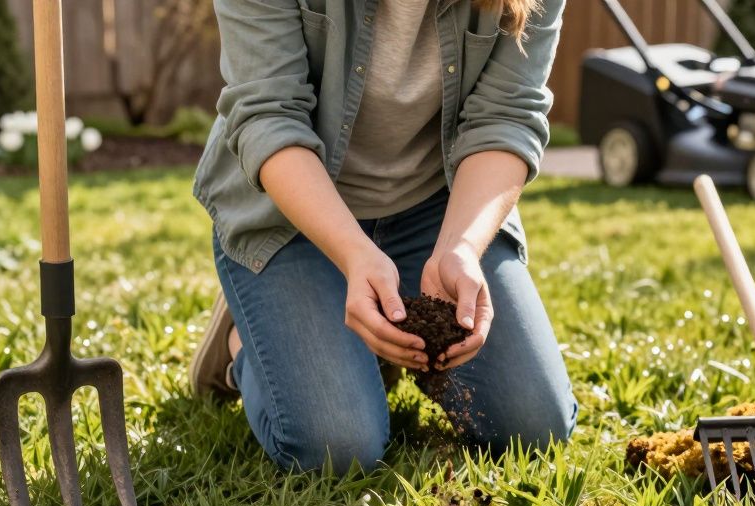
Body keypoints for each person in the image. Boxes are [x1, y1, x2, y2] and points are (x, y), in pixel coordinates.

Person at [189, 0, 576, 472]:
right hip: (293, 215)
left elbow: (508, 116)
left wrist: (462, 246)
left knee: (532, 427)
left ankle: (371, 338)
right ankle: (241, 335)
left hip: (437, 206)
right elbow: (268, 117)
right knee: (338, 450)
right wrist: (354, 255)